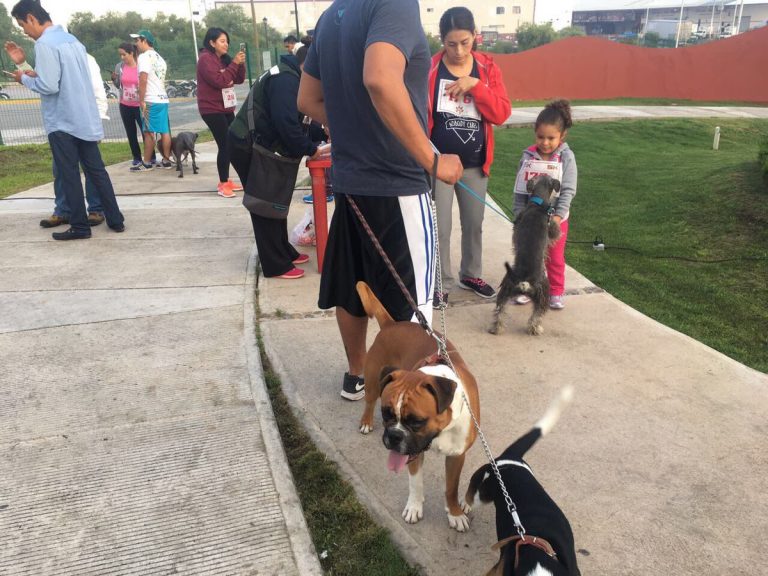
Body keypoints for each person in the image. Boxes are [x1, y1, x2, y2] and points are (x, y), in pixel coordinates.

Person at [297, 0, 463, 400]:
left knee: (354, 288)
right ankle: (406, 402)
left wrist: (353, 129)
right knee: (415, 304)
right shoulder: (394, 3)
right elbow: (380, 79)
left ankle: (358, 375)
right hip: (398, 184)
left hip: (352, 183)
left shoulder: (333, 15)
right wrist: (432, 158)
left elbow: (307, 99)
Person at [6, 0, 124, 240]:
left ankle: (80, 227)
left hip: (62, 121)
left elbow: (49, 85)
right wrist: (28, 69)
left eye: (22, 25)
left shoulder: (45, 44)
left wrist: (23, 79)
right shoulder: (73, 41)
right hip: (84, 118)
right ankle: (116, 219)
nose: (24, 31)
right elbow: (62, 78)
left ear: (31, 17)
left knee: (69, 174)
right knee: (97, 171)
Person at [429, 6, 511, 307]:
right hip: (438, 164)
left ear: (475, 36)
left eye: (466, 42)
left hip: (475, 165)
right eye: (452, 44)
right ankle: (441, 282)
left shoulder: (487, 69)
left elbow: (501, 112)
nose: (459, 50)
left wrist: (476, 86)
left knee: (474, 224)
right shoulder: (431, 68)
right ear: (442, 41)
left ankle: (471, 273)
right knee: (441, 226)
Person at [228, 48, 324, 279]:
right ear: (307, 66)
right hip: (246, 145)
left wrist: (320, 132)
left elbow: (300, 118)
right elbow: (287, 124)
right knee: (263, 204)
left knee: (275, 200)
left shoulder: (291, 76)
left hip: (256, 143)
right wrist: (311, 150)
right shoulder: (285, 80)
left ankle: (283, 251)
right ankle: (275, 264)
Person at [513, 99, 577, 310]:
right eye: (541, 137)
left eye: (551, 138)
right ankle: (528, 288)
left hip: (556, 220)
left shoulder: (566, 158)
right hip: (531, 221)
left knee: (555, 257)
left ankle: (556, 291)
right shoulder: (528, 156)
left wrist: (557, 217)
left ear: (562, 136)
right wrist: (519, 215)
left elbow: (568, 190)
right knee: (529, 255)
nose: (546, 143)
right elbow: (520, 190)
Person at [196, 27, 246, 198]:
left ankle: (228, 180)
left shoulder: (223, 59)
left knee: (233, 142)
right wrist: (234, 65)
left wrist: (240, 63)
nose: (226, 44)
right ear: (212, 42)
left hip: (225, 107)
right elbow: (220, 81)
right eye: (222, 41)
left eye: (227, 41)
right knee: (224, 143)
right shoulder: (205, 59)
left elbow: (238, 79)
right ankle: (223, 183)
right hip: (211, 109)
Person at [129, 29, 173, 172]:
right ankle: (166, 161)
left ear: (144, 40)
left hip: (151, 99)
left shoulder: (144, 57)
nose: (136, 44)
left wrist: (141, 100)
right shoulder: (159, 58)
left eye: (137, 40)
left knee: (148, 132)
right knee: (164, 131)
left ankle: (147, 163)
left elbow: (143, 79)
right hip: (162, 99)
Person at [112, 42, 155, 167]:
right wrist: (114, 79)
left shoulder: (141, 65)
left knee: (146, 132)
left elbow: (145, 81)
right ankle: (136, 157)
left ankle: (150, 156)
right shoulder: (119, 67)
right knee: (131, 133)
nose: (122, 57)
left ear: (131, 53)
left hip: (140, 105)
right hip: (125, 105)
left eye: (124, 54)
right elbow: (119, 85)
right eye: (120, 55)